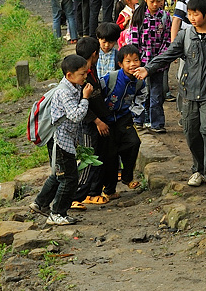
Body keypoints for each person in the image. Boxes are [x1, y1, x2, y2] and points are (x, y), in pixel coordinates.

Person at [137, 0, 206, 192]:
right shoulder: (185, 36)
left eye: (195, 14)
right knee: (191, 132)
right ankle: (198, 169)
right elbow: (167, 55)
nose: (191, 18)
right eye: (189, 14)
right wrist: (148, 68)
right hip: (188, 92)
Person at [28, 54, 93, 226]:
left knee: (59, 175)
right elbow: (75, 115)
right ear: (69, 75)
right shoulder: (65, 92)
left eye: (86, 73)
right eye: (82, 74)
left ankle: (40, 204)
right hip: (60, 141)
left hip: (65, 140)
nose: (85, 76)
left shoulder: (73, 86)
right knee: (69, 179)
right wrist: (86, 98)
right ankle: (57, 213)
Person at [71, 38, 114, 207]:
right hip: (89, 123)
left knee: (100, 155)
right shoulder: (81, 75)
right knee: (88, 158)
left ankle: (94, 190)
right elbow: (80, 102)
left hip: (99, 120)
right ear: (95, 54)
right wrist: (96, 121)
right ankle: (77, 196)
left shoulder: (92, 69)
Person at [100, 45, 146, 196]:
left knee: (134, 142)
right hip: (107, 120)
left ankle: (127, 177)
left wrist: (133, 114)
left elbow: (141, 98)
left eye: (136, 60)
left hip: (124, 118)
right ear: (120, 64)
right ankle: (109, 189)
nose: (133, 64)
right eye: (128, 61)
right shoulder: (111, 78)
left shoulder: (140, 82)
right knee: (110, 155)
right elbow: (98, 94)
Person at [130, 0, 171, 132]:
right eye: (152, 1)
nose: (155, 4)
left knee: (156, 93)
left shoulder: (166, 17)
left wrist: (161, 58)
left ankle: (157, 123)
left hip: (158, 63)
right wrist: (136, 60)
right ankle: (139, 120)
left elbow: (167, 40)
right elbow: (134, 41)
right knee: (140, 91)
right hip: (141, 62)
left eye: (158, 1)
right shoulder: (138, 17)